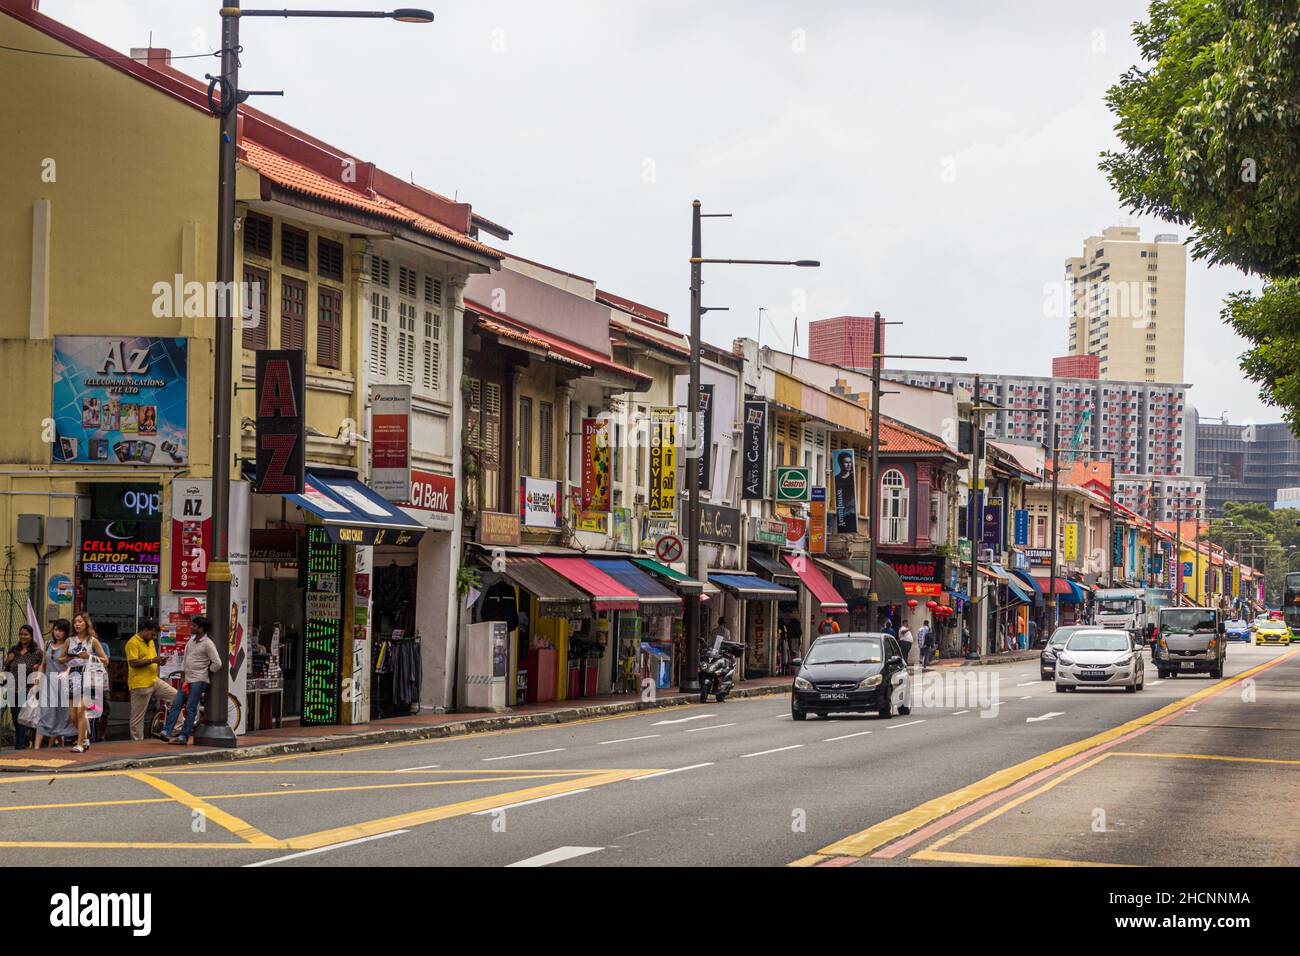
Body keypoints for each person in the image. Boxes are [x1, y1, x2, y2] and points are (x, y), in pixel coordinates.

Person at [161, 616, 222, 745]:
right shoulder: (191, 641)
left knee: (190, 708)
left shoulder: (208, 644)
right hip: (188, 679)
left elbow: (217, 663)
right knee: (176, 704)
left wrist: (206, 671)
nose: (191, 628)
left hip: (199, 679)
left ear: (201, 629)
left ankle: (184, 736)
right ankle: (166, 731)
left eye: (194, 626)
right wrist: (183, 676)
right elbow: (185, 659)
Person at [63, 612, 108, 753]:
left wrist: (89, 656)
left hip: (88, 674)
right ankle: (86, 737)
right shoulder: (69, 641)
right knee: (72, 715)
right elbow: (60, 658)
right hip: (73, 675)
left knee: (81, 710)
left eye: (80, 621)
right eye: (75, 622)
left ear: (86, 623)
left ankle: (80, 743)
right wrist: (69, 658)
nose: (77, 624)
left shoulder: (92, 641)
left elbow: (105, 660)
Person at [125, 621, 177, 742]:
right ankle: (137, 742)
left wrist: (159, 661)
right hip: (140, 684)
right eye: (152, 634)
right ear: (145, 630)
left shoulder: (150, 642)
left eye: (155, 635)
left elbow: (152, 660)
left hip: (154, 680)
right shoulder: (132, 643)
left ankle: (174, 729)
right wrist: (152, 660)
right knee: (138, 717)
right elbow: (133, 663)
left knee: (176, 696)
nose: (154, 637)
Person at [34, 619, 77, 750]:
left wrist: (66, 672)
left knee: (61, 715)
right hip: (48, 683)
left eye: (61, 630)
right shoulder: (47, 644)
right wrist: (38, 676)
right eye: (56, 629)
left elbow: (72, 665)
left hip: (62, 684)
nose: (58, 633)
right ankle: (36, 748)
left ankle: (59, 745)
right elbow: (43, 664)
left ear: (66, 632)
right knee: (45, 713)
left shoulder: (69, 646)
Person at [5, 624, 43, 750]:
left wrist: (38, 667)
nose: (23, 636)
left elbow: (44, 667)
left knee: (23, 716)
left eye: (26, 634)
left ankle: (19, 745)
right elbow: (5, 668)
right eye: (21, 634)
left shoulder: (37, 652)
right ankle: (25, 740)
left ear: (31, 636)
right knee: (16, 718)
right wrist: (8, 660)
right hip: (12, 688)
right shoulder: (13, 650)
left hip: (27, 688)